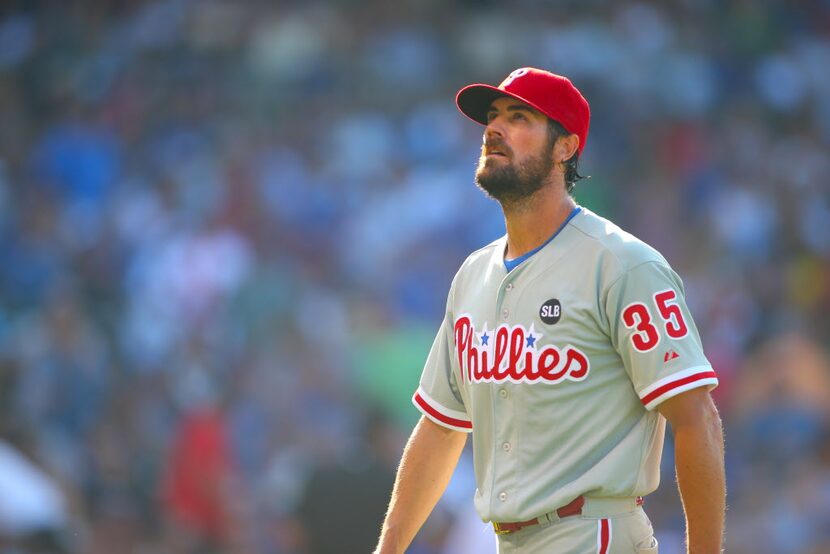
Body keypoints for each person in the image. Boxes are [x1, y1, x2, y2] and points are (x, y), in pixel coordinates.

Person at [374, 68, 725, 553]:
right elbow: (440, 427)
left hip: (592, 532)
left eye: (519, 117)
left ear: (565, 147)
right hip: (508, 540)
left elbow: (695, 417)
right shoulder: (473, 275)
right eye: (492, 117)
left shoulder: (621, 264)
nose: (494, 129)